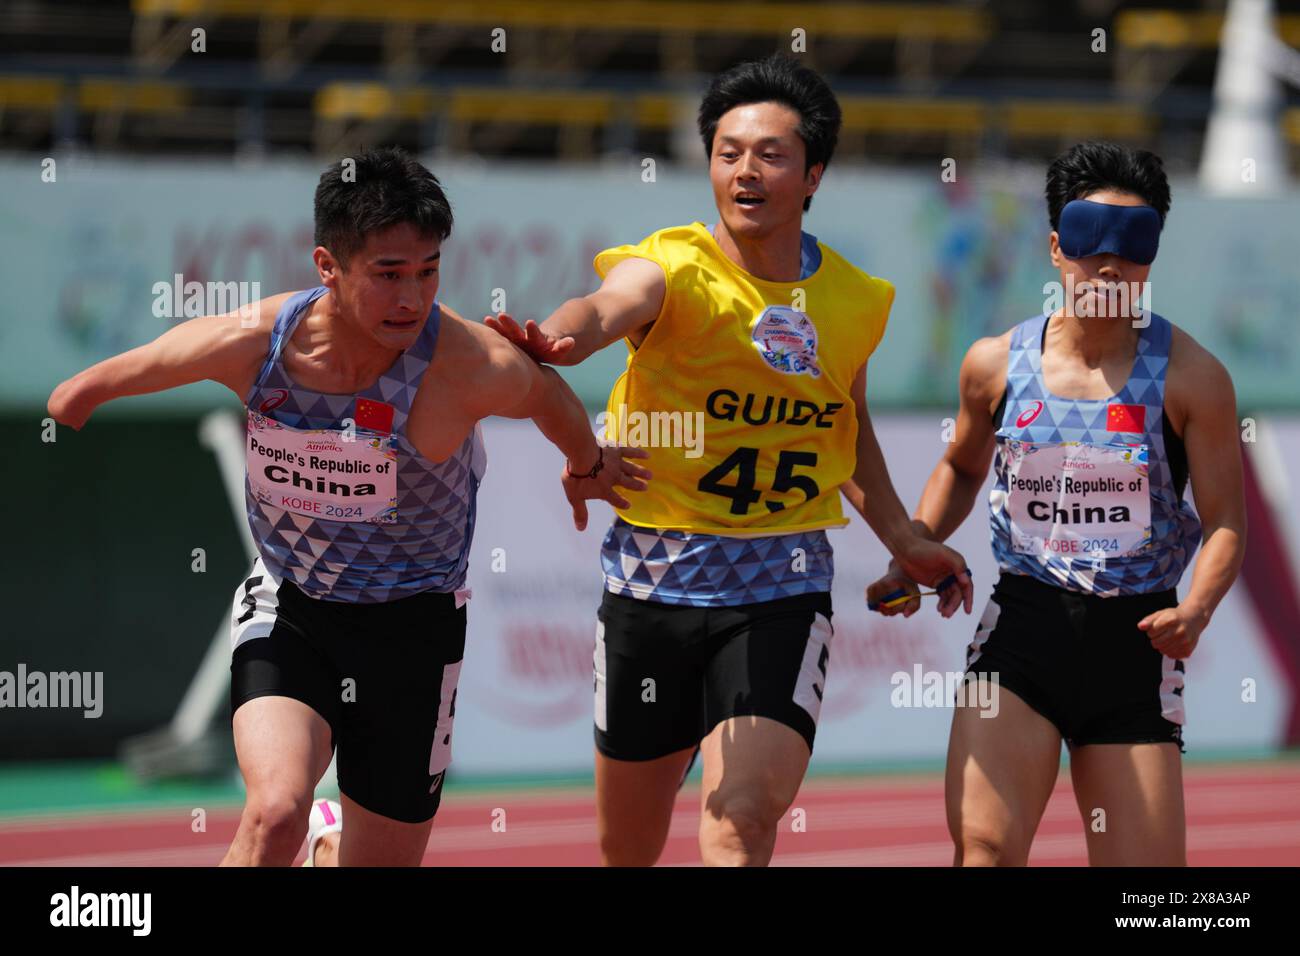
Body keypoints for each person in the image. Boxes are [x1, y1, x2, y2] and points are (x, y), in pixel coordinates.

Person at [46, 147, 649, 866]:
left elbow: (547, 395)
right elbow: (150, 362)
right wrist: (82, 395)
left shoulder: (463, 366)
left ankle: (333, 846)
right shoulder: (257, 344)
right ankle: (310, 832)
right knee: (274, 814)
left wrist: (586, 465)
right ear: (328, 266)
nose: (412, 298)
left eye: (428, 271)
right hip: (292, 604)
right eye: (388, 274)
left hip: (414, 626)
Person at [486, 54, 973, 867]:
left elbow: (843, 427)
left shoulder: (856, 301)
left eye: (771, 154)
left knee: (739, 820)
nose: (745, 170)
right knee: (628, 851)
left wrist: (902, 535)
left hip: (780, 588)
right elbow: (604, 306)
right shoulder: (672, 267)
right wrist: (562, 337)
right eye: (728, 151)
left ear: (813, 172)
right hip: (649, 588)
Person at [867, 141, 1247, 866]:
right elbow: (960, 466)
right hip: (1024, 631)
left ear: (1154, 254)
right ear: (1054, 248)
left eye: (1133, 244)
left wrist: (1195, 610)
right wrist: (911, 546)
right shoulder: (993, 364)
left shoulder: (1194, 379)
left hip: (1135, 643)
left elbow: (1227, 519)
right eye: (1087, 240)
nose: (1109, 264)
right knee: (983, 851)